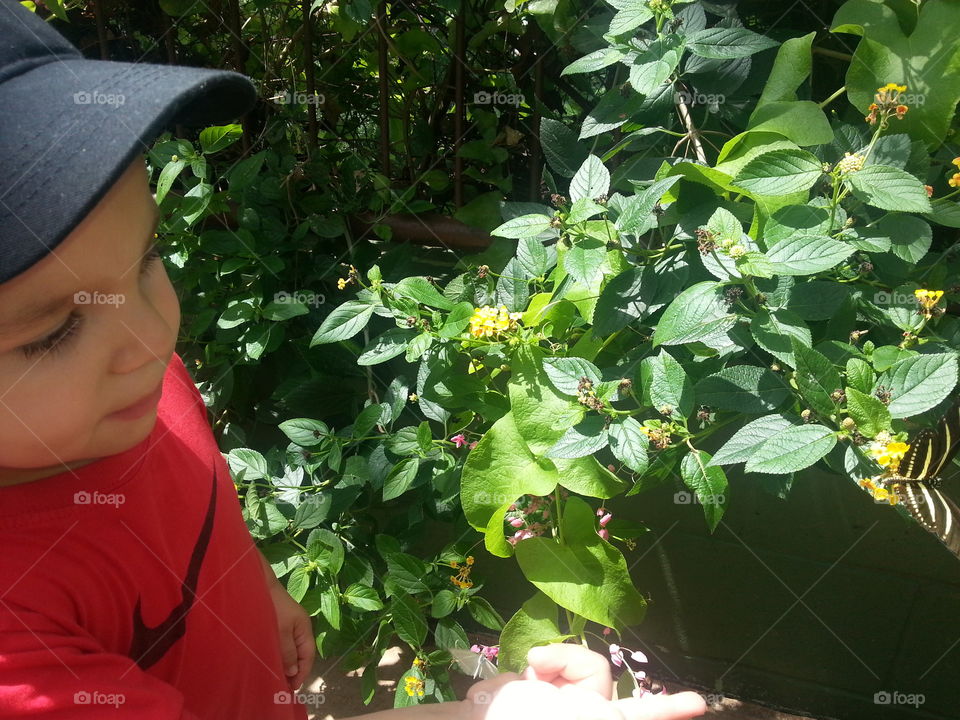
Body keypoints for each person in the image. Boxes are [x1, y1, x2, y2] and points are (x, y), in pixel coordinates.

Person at [0, 2, 707, 719]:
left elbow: (196, 488)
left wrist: (255, 585)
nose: (152, 336)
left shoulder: (122, 384)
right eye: (53, 332)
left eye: (147, 256)